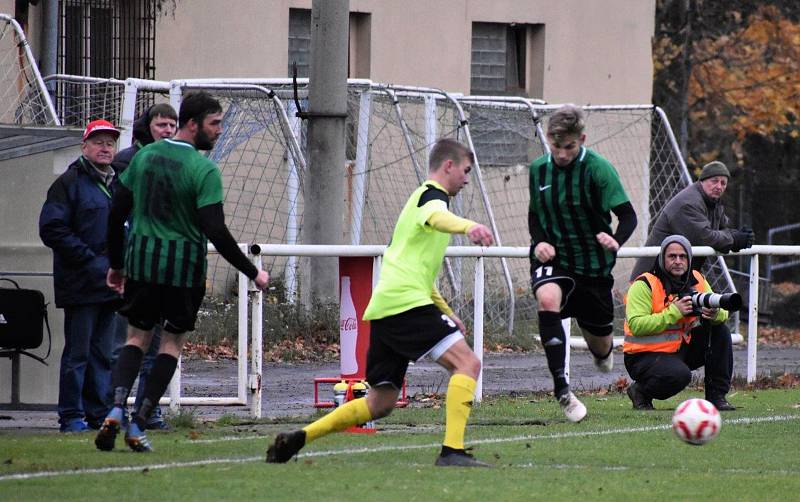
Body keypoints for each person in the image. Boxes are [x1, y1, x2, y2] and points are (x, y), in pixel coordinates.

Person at [266, 138, 494, 467]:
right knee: (468, 364)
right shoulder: (432, 198)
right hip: (405, 305)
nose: (467, 178)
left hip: (389, 307)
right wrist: (470, 226)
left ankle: (301, 437)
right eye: (466, 170)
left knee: (381, 402)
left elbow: (418, 275)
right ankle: (452, 451)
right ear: (448, 166)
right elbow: (436, 217)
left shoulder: (417, 205)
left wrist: (447, 313)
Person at [94, 91, 269, 452]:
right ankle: (139, 422)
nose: (220, 130)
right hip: (183, 270)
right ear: (193, 125)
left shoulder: (143, 158)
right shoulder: (204, 170)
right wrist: (252, 271)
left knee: (135, 340)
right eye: (215, 123)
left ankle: (115, 408)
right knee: (171, 345)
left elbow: (115, 214)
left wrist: (116, 264)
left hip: (141, 263)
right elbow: (215, 230)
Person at [528, 104, 638, 422]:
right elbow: (535, 215)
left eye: (569, 147)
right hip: (555, 258)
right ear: (548, 139)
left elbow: (628, 216)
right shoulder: (539, 170)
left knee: (601, 347)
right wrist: (541, 242)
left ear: (582, 140)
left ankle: (603, 354)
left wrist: (615, 240)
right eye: (556, 146)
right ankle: (562, 390)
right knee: (547, 298)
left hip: (593, 267)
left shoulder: (598, 169)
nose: (561, 154)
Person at [39, 119, 123, 432]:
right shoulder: (68, 183)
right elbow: (52, 229)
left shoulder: (117, 184)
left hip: (110, 284)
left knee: (102, 354)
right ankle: (71, 415)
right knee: (78, 354)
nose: (105, 148)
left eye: (110, 143)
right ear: (84, 147)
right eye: (99, 142)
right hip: (81, 282)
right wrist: (91, 262)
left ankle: (98, 414)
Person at [110, 103, 178, 431]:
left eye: (170, 125)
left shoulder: (178, 163)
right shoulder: (130, 161)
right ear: (147, 126)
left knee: (157, 342)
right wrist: (116, 262)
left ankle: (147, 410)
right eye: (160, 124)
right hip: (139, 266)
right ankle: (115, 409)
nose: (166, 130)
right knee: (135, 341)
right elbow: (117, 215)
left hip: (168, 267)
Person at [624, 235, 736, 411]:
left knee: (720, 331)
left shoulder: (697, 279)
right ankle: (640, 391)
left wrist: (714, 313)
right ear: (662, 258)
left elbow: (720, 309)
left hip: (679, 349)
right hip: (643, 356)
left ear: (689, 259)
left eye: (682, 256)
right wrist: (674, 312)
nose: (678, 261)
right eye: (672, 256)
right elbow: (637, 325)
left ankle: (717, 397)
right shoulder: (644, 283)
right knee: (679, 375)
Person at [629, 161, 754, 279]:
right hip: (651, 279)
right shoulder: (689, 203)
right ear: (702, 181)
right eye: (714, 181)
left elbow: (721, 229)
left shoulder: (713, 202)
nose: (719, 186)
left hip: (677, 277)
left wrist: (739, 236)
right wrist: (734, 239)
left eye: (723, 183)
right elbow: (705, 237)